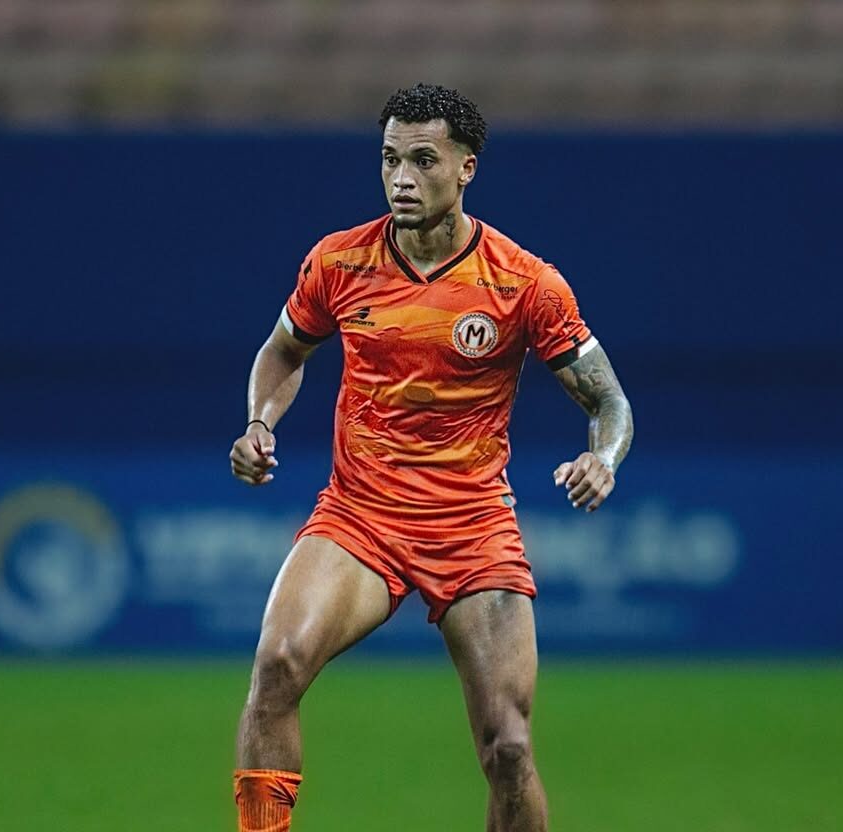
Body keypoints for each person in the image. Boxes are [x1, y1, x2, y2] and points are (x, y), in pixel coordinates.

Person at [228, 82, 633, 832]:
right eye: (389, 159)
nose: (401, 179)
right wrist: (259, 423)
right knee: (277, 667)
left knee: (508, 748)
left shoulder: (523, 283)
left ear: (466, 168)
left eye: (422, 160)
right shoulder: (339, 261)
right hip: (360, 517)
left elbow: (609, 401)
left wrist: (602, 458)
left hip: (472, 526)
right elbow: (283, 351)